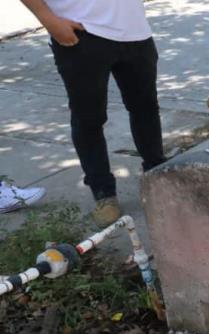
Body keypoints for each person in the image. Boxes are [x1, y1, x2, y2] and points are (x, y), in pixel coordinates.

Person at [20, 0, 167, 227]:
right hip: (82, 33)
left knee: (145, 108)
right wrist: (50, 21)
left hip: (135, 32)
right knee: (89, 119)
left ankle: (157, 176)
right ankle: (103, 194)